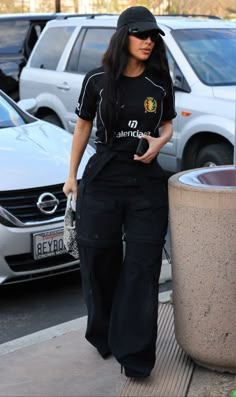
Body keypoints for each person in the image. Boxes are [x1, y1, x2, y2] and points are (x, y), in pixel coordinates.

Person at [63, 5, 176, 379]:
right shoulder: (96, 80)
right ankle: (105, 331)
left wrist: (159, 144)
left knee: (142, 268)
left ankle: (136, 356)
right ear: (123, 35)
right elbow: (82, 128)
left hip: (146, 183)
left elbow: (168, 126)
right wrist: (71, 176)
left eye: (152, 36)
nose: (148, 41)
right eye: (141, 34)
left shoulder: (160, 81)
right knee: (98, 258)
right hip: (104, 176)